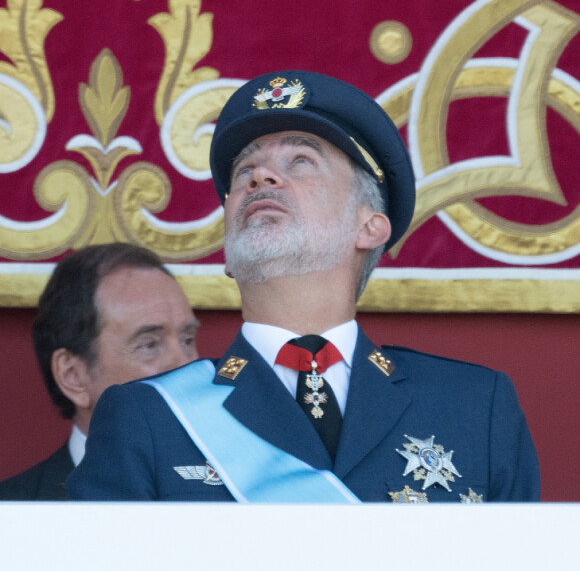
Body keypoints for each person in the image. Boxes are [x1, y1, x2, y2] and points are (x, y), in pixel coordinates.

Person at [68, 71, 540, 503]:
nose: (260, 176)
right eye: (243, 172)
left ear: (370, 227)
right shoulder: (147, 417)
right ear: (229, 254)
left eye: (300, 160)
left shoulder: (475, 407)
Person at [0, 243, 199, 500]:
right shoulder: (14, 515)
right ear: (73, 376)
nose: (186, 364)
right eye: (150, 344)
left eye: (188, 340)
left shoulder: (243, 492)